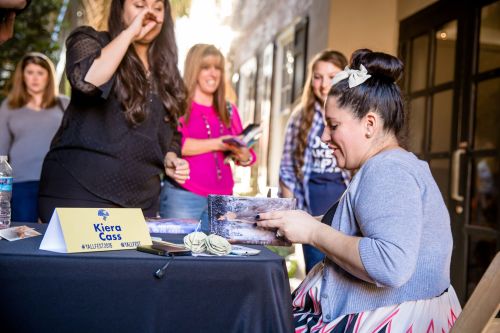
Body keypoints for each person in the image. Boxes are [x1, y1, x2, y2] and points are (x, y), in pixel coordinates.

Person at [257, 49, 461, 332]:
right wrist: (300, 222)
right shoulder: (392, 164)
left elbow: (390, 264)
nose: (324, 137)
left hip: (389, 318)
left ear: (369, 124)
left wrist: (314, 233)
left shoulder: (388, 170)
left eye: (333, 125)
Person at [38, 0, 189, 223]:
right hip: (79, 190)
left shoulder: (167, 70)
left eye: (157, 8)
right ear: (120, 9)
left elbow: (171, 130)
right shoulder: (90, 40)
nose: (149, 14)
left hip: (141, 202)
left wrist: (170, 157)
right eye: (139, 5)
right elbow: (87, 80)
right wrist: (130, 34)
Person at [159, 44, 256, 231]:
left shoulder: (229, 109)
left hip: (223, 200)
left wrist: (243, 154)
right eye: (206, 67)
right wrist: (219, 144)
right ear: (193, 69)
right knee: (180, 257)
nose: (213, 73)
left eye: (218, 68)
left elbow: (248, 156)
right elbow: (177, 145)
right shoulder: (178, 106)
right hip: (183, 196)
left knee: (219, 257)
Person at [279, 50, 350, 273]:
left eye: (332, 76)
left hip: (345, 211)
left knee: (346, 277)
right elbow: (287, 169)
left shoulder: (353, 114)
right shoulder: (301, 118)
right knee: (316, 275)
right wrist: (291, 213)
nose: (323, 84)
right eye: (318, 77)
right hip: (311, 211)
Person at [0, 52, 68, 222]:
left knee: (58, 235)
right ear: (22, 76)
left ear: (48, 76)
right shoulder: (9, 106)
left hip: (58, 181)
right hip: (22, 182)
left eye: (40, 73)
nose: (34, 78)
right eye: (30, 72)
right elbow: (1, 150)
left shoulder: (64, 104)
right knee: (23, 235)